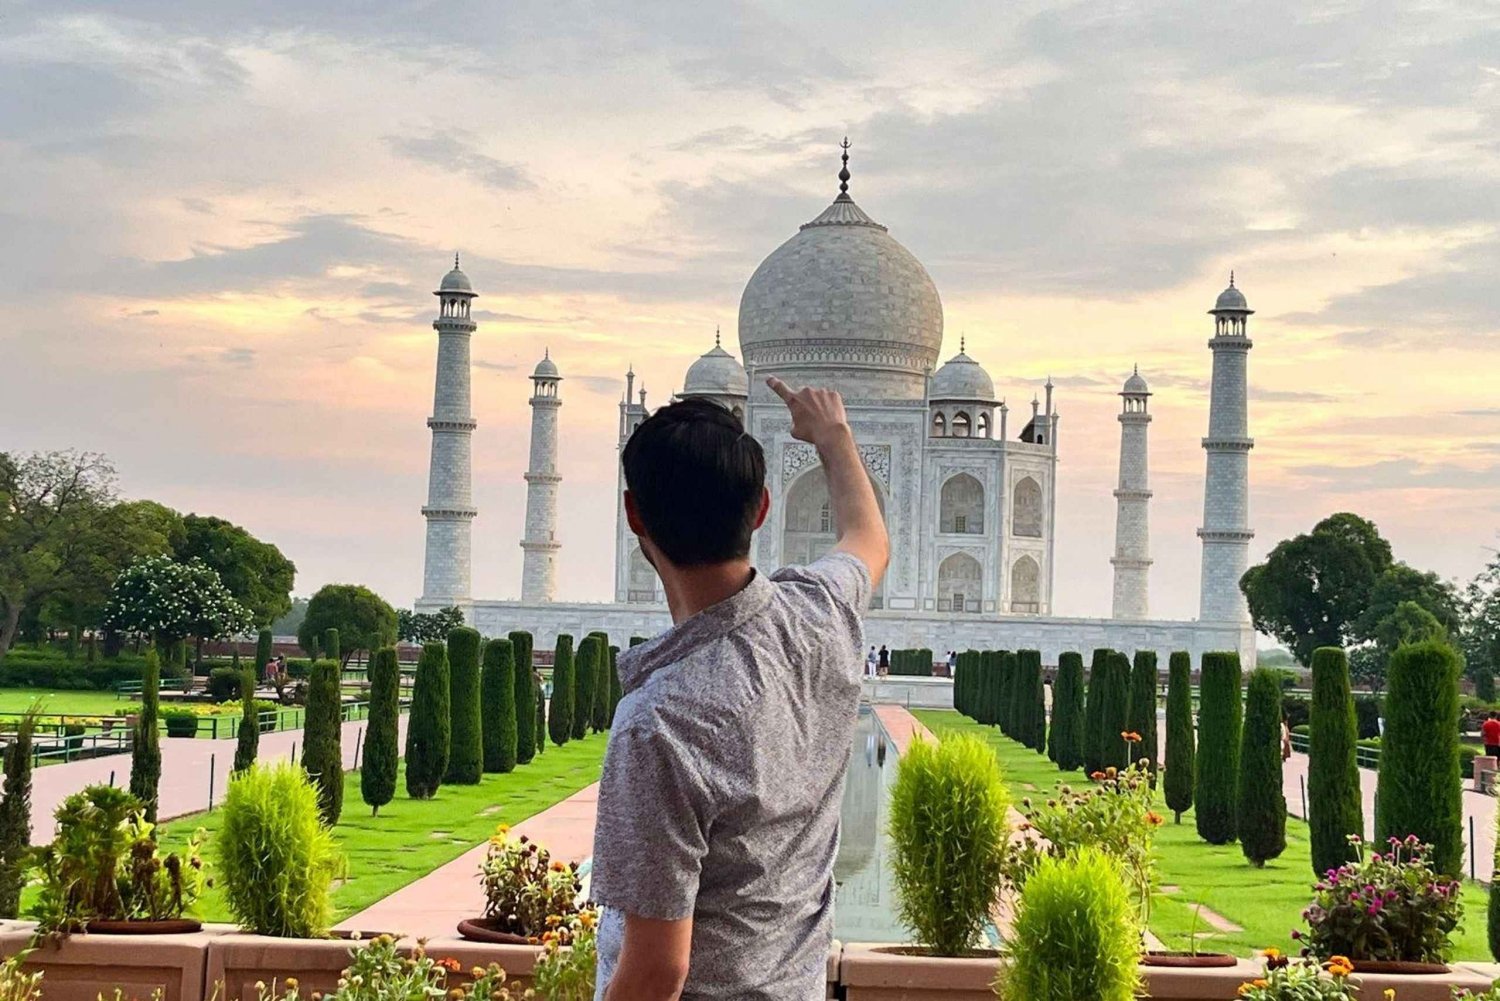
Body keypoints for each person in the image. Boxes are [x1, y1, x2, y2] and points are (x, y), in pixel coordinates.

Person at [591, 382, 889, 1001]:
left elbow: (657, 972)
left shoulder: (660, 722)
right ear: (761, 509)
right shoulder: (820, 616)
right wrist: (833, 437)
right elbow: (868, 539)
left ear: (634, 515)